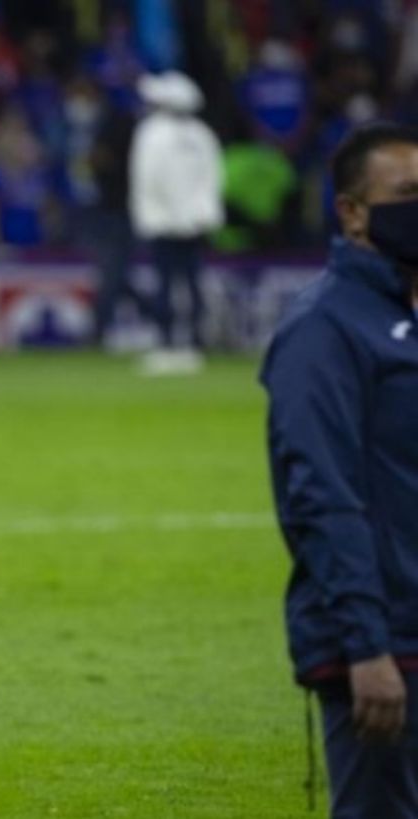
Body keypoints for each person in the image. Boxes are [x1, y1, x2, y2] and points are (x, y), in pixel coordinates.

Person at [261, 122, 418, 818]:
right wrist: (367, 647)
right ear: (352, 213)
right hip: (385, 643)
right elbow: (322, 499)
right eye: (407, 194)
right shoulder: (323, 329)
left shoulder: (401, 318)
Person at [129, 70, 224, 374]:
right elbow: (212, 180)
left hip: (165, 223)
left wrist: (154, 216)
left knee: (169, 283)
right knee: (188, 282)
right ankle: (191, 344)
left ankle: (169, 345)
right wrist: (204, 214)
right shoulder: (202, 134)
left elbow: (146, 179)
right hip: (192, 222)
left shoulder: (151, 133)